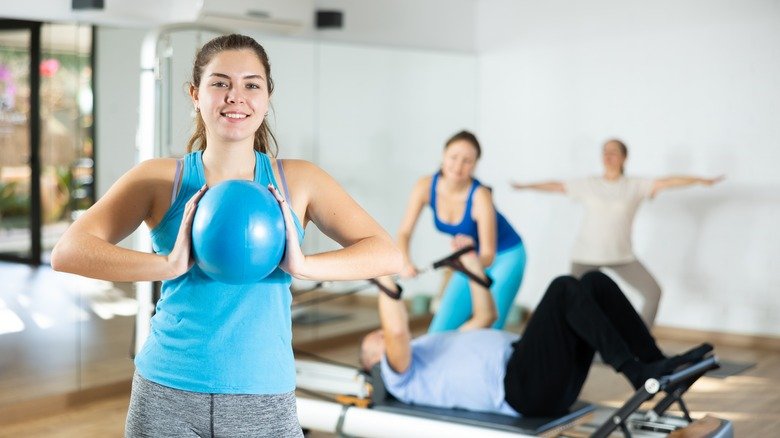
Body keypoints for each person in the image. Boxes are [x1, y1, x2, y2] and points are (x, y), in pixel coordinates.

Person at [51, 34, 402, 437]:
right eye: (220, 83)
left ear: (267, 95)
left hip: (264, 396)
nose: (236, 96)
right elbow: (69, 250)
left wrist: (302, 266)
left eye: (251, 84)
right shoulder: (159, 179)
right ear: (195, 94)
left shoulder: (300, 180)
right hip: (168, 391)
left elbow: (385, 253)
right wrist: (166, 265)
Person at [360, 263, 713, 418]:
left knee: (593, 282)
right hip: (523, 387)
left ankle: (653, 363)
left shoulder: (431, 345)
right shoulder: (400, 374)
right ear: (371, 363)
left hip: (538, 371)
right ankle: (637, 373)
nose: (376, 334)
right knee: (563, 288)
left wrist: (467, 264)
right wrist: (383, 276)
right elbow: (396, 331)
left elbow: (484, 316)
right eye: (371, 341)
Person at [511, 139, 723, 327]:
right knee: (571, 302)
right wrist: (526, 186)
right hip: (586, 255)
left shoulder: (636, 185)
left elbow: (668, 182)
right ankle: (567, 345)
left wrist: (700, 180)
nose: (608, 156)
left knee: (653, 293)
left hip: (621, 256)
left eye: (613, 152)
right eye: (605, 152)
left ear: (624, 157)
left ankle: (639, 340)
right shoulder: (589, 184)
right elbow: (556, 186)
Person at [397, 130, 526, 332]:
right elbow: (404, 232)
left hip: (505, 256)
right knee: (439, 330)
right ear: (443, 155)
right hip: (469, 258)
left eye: (467, 161)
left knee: (488, 328)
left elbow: (488, 255)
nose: (458, 166)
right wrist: (405, 262)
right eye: (454, 157)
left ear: (475, 165)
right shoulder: (425, 186)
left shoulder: (480, 195)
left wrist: (465, 261)